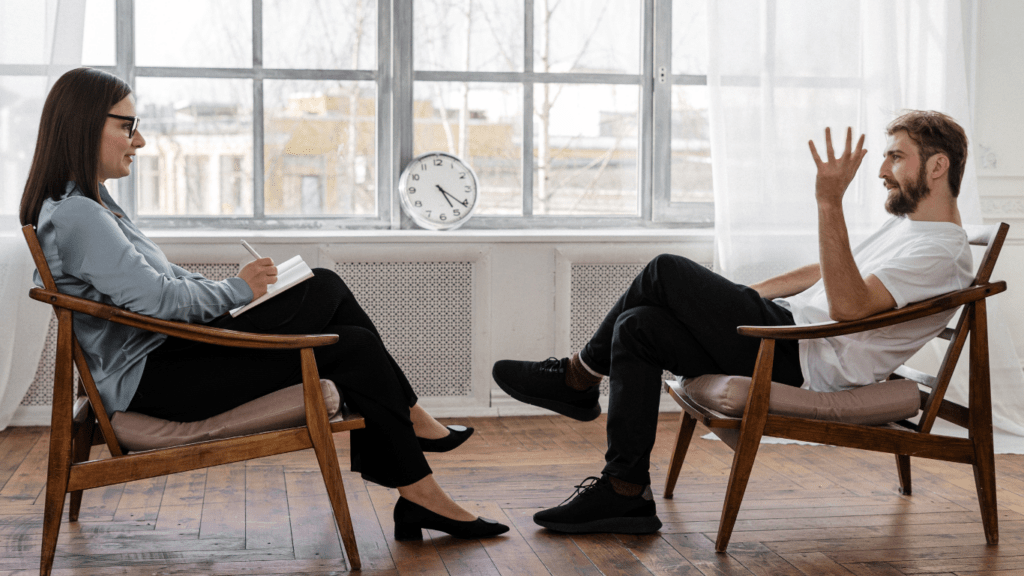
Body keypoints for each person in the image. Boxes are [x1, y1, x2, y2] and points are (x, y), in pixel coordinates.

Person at [20, 67, 508, 541]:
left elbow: (160, 281)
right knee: (331, 301)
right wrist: (238, 291)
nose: (139, 142)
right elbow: (158, 301)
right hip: (156, 380)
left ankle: (419, 484)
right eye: (128, 127)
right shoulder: (81, 214)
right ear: (85, 125)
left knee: (337, 310)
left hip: (166, 361)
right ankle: (415, 443)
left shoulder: (91, 204)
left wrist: (241, 290)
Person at [493, 111, 974, 534]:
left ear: (937, 166)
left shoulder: (940, 252)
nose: (882, 171)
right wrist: (740, 298)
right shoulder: (910, 229)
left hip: (802, 358)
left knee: (666, 269)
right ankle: (625, 490)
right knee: (638, 325)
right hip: (787, 332)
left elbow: (849, 307)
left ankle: (577, 377)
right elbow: (827, 271)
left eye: (896, 157)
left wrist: (829, 203)